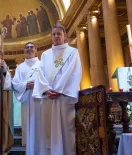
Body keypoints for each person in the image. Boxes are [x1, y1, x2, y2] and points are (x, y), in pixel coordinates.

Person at [32, 24, 82, 155]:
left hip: (64, 97)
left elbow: (73, 73)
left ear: (64, 35)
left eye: (59, 34)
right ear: (51, 37)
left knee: (66, 130)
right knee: (47, 132)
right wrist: (47, 89)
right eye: (54, 34)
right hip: (48, 98)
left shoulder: (72, 52)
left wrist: (59, 90)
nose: (56, 36)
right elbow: (40, 74)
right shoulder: (45, 55)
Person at [12, 42, 45, 154]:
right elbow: (15, 83)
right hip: (27, 100)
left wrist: (38, 84)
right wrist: (26, 85)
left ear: (36, 50)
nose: (29, 49)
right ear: (24, 51)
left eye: (32, 47)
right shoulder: (20, 67)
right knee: (29, 128)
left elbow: (48, 80)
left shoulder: (42, 65)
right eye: (27, 47)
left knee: (41, 128)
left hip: (40, 99)